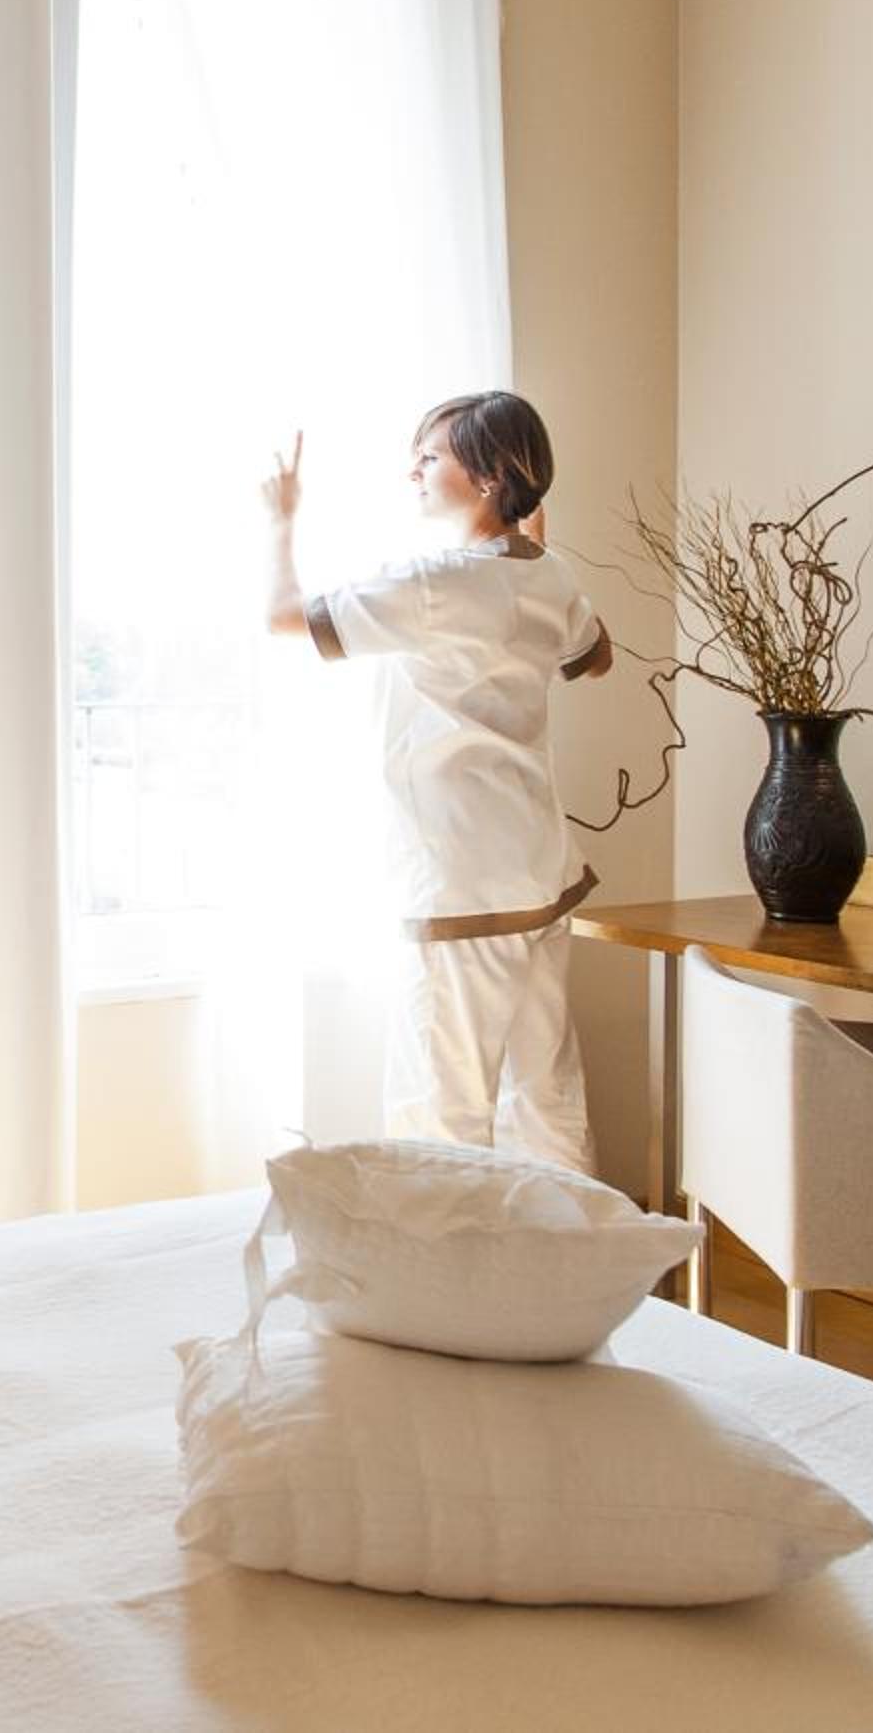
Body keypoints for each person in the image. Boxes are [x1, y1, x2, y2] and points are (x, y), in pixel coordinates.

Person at [258, 392, 617, 1173]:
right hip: (539, 870)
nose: (413, 471)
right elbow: (594, 658)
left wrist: (283, 519)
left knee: (440, 1110)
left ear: (489, 477)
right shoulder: (548, 574)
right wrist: (533, 544)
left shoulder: (433, 583)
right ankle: (572, 1243)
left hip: (458, 880)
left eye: (429, 457)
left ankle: (445, 1250)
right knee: (544, 1096)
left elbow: (286, 618)